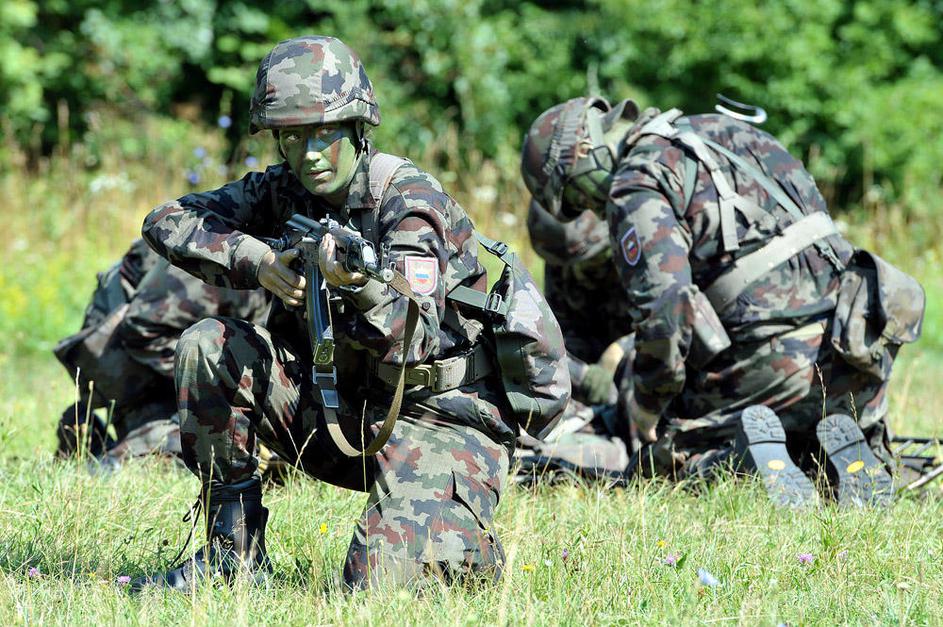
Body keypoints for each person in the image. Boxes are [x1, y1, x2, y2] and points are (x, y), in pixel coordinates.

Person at [135, 35, 563, 591]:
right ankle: (231, 556)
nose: (309, 153)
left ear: (358, 128)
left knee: (371, 587)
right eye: (291, 136)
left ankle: (461, 540)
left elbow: (414, 341)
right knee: (208, 345)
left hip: (439, 418)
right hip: (343, 408)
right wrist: (257, 260)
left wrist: (361, 287)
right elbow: (166, 219)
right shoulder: (282, 189)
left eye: (324, 133)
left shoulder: (410, 204)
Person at [520, 96, 925, 506]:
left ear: (583, 151)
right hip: (855, 345)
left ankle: (744, 464)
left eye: (578, 197)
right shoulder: (725, 131)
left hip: (771, 362)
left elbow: (665, 312)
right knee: (796, 431)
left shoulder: (635, 181)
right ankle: (845, 454)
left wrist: (646, 406)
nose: (592, 209)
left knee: (660, 466)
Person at [54, 238, 270, 470]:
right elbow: (140, 328)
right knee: (204, 457)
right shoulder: (227, 266)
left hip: (157, 362)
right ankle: (99, 457)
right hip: (137, 372)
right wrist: (215, 381)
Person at [514, 201, 636, 483]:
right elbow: (562, 331)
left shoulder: (637, 248)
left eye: (590, 262)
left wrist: (621, 351)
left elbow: (670, 325)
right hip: (592, 371)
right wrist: (578, 375)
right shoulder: (562, 254)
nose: (578, 272)